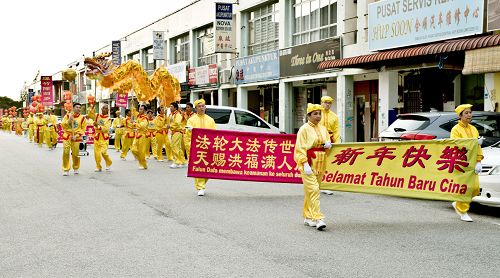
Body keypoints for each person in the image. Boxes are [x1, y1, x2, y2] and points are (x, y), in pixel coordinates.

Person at [294, 103, 332, 231]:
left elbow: (328, 145)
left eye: (319, 113)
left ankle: (308, 216)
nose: (318, 116)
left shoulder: (323, 129)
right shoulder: (304, 129)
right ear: (309, 115)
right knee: (315, 190)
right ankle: (318, 218)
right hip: (308, 163)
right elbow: (299, 148)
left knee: (310, 191)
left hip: (320, 163)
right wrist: (304, 163)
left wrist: (328, 145)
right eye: (315, 114)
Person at [450, 104, 484, 222]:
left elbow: (478, 147)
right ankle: (463, 211)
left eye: (470, 112)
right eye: (466, 113)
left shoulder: (473, 129)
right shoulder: (455, 129)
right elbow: (457, 145)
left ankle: (458, 203)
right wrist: (474, 142)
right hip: (462, 163)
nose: (469, 115)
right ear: (460, 116)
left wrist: (479, 161)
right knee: (464, 188)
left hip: (473, 161)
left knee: (475, 188)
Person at [186, 99, 216, 196]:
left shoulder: (210, 120)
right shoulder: (191, 120)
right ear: (195, 109)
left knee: (208, 166)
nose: (201, 108)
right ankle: (200, 187)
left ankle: (203, 183)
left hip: (208, 147)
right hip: (196, 147)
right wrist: (191, 130)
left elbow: (215, 134)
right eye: (199, 106)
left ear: (205, 107)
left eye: (203, 106)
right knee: (198, 166)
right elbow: (187, 131)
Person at [319, 96, 340, 195]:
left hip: (330, 140)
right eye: (325, 102)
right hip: (318, 140)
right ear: (321, 102)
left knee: (328, 162)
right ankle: (317, 184)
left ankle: (325, 184)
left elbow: (336, 131)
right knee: (318, 162)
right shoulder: (317, 114)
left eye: (329, 103)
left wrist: (337, 143)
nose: (327, 104)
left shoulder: (334, 116)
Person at [61, 103, 87, 176]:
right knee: (66, 152)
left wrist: (77, 135)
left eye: (79, 107)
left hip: (76, 137)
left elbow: (83, 129)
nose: (78, 109)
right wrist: (68, 121)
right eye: (77, 107)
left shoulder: (82, 118)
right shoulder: (67, 116)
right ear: (73, 108)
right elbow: (63, 125)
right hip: (67, 135)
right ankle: (66, 169)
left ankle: (76, 167)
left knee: (75, 154)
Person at [93, 104, 113, 172]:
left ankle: (108, 162)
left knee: (103, 152)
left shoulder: (108, 119)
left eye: (106, 108)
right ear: (101, 109)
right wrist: (92, 106)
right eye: (103, 108)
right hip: (97, 137)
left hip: (104, 138)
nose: (104, 109)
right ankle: (98, 166)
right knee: (97, 153)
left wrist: (97, 126)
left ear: (108, 110)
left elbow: (105, 129)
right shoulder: (97, 116)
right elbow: (90, 114)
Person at [168, 102, 186, 168]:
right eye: (170, 106)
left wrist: (170, 125)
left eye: (171, 106)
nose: (170, 108)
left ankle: (177, 162)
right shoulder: (171, 114)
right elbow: (168, 122)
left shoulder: (177, 114)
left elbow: (177, 123)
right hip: (173, 132)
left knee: (174, 146)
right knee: (177, 147)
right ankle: (182, 161)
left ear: (175, 108)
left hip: (177, 131)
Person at [131, 104, 149, 169]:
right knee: (133, 149)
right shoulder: (139, 117)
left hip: (143, 136)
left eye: (141, 109)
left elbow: (142, 126)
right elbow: (134, 111)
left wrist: (134, 123)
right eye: (139, 109)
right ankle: (143, 162)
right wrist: (132, 104)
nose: (139, 110)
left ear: (145, 110)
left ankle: (142, 164)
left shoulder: (145, 118)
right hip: (137, 134)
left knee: (142, 151)